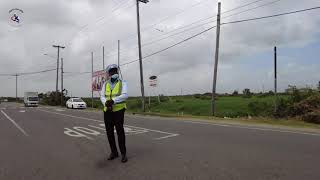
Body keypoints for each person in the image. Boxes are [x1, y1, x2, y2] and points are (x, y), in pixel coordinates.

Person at [100, 64, 128, 163]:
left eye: (115, 71)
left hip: (119, 110)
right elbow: (102, 96)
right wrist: (106, 103)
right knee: (109, 132)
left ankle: (123, 153)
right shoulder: (105, 84)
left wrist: (113, 101)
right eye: (111, 72)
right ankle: (114, 152)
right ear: (109, 73)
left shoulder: (122, 83)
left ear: (117, 72)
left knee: (120, 132)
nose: (114, 73)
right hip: (107, 111)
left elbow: (125, 95)